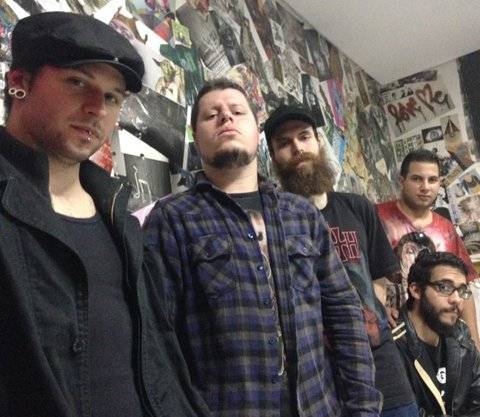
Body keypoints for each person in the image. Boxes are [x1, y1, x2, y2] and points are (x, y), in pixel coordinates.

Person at [0, 12, 209, 417]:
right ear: (19, 82)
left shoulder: (122, 221)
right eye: (77, 83)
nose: (97, 108)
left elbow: (160, 360)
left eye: (112, 97)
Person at [143, 79, 382, 417]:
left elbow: (344, 314)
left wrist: (364, 407)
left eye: (237, 111)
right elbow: (157, 338)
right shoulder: (171, 219)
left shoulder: (302, 214)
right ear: (196, 137)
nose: (226, 117)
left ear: (257, 132)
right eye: (212, 114)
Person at [265, 104, 418, 417]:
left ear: (318, 142)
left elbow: (380, 277)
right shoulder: (272, 221)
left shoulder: (357, 207)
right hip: (317, 374)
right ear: (273, 156)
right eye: (284, 143)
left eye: (304, 136)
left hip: (380, 363)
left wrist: (370, 319)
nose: (297, 147)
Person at [376, 149, 479, 349]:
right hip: (390, 335)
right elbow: (356, 270)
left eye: (432, 180)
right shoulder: (376, 216)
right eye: (417, 179)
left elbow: (462, 287)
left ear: (439, 183)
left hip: (436, 338)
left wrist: (475, 345)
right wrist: (375, 307)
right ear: (402, 180)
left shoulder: (446, 229)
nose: (425, 187)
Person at [392, 251, 480, 416]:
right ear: (416, 290)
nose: (456, 299)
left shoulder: (461, 334)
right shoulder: (393, 345)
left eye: (462, 290)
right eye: (444, 287)